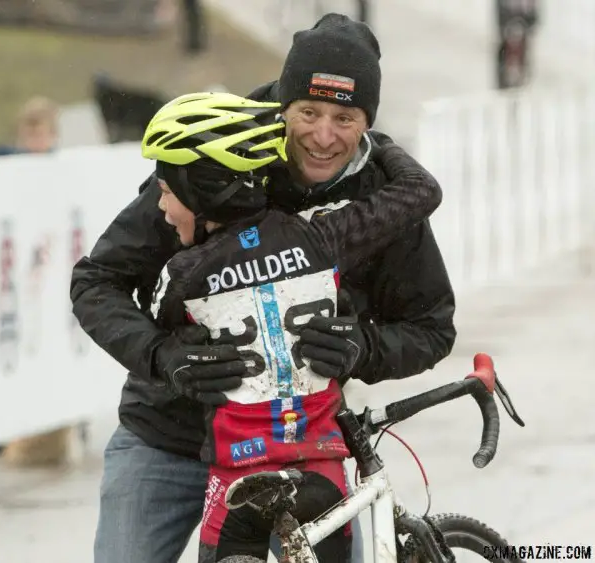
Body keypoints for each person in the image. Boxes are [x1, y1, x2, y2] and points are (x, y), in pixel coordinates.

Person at [71, 13, 456, 563]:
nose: (324, 136)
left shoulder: (382, 196)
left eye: (345, 117)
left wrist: (363, 348)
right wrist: (162, 355)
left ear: (367, 121)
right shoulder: (215, 155)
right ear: (282, 105)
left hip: (293, 453)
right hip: (166, 438)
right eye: (309, 112)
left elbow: (430, 327)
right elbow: (97, 280)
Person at [140, 91, 441, 562]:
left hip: (238, 472)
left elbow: (156, 324)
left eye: (166, 192)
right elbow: (421, 192)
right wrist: (374, 138)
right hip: (319, 464)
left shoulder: (181, 275)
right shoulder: (319, 235)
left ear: (201, 197)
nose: (160, 207)